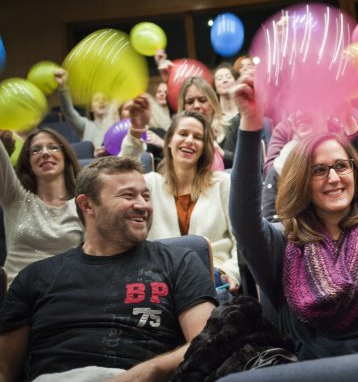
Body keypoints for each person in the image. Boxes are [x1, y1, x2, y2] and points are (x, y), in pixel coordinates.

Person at [229, 78, 358, 360]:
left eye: (341, 166)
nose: (333, 178)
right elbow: (244, 222)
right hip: (311, 372)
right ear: (302, 182)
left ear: (355, 173)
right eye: (318, 170)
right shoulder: (283, 243)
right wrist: (251, 122)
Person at [0, 156, 216, 382]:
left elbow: (209, 342)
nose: (142, 205)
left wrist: (149, 371)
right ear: (87, 205)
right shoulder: (35, 277)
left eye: (145, 196)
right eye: (128, 195)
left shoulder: (178, 262)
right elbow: (5, 369)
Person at [121, 100, 240, 290]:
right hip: (160, 280)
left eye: (198, 137)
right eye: (183, 134)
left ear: (203, 148)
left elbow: (239, 238)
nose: (189, 140)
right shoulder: (150, 183)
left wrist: (232, 272)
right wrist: (136, 131)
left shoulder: (222, 183)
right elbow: (119, 178)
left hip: (212, 277)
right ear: (169, 141)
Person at [261, 109, 358, 221]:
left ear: (327, 113)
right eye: (318, 170)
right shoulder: (281, 164)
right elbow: (270, 223)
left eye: (340, 166)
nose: (299, 114)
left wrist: (349, 124)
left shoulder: (345, 142)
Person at [0, 128, 83, 284]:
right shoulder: (14, 196)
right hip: (15, 296)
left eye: (53, 147)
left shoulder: (82, 204)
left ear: (65, 157)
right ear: (28, 163)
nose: (45, 153)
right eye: (35, 150)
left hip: (63, 294)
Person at [55, 69, 114, 156]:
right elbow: (68, 111)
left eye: (105, 99)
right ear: (91, 108)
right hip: (92, 164)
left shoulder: (117, 124)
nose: (101, 102)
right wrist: (62, 86)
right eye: (97, 100)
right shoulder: (85, 125)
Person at [179, 76, 232, 169]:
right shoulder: (177, 135)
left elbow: (249, 167)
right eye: (190, 101)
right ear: (183, 107)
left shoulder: (231, 127)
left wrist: (221, 152)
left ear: (212, 103)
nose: (196, 106)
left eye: (202, 100)